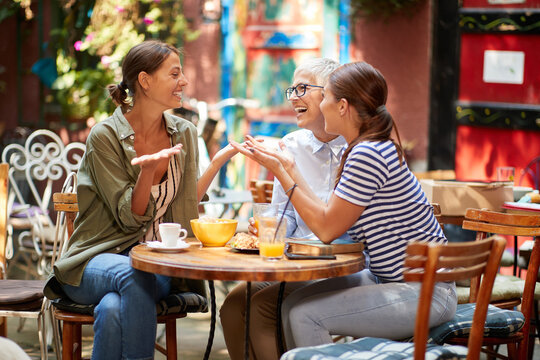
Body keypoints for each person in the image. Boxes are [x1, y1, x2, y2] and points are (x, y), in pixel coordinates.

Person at [231, 61, 456, 350]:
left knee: (305, 316)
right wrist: (288, 168)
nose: (320, 103)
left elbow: (326, 229)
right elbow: (327, 216)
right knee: (292, 305)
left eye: (324, 97)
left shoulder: (368, 154)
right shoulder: (366, 148)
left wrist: (282, 172)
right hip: (389, 279)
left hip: (425, 292)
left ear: (342, 106)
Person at [44, 40, 239, 360]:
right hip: (93, 262)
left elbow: (187, 203)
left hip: (156, 262)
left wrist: (216, 163)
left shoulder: (184, 133)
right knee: (132, 273)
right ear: (145, 81)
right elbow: (129, 218)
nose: (185, 82)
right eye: (174, 74)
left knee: (112, 307)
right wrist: (147, 173)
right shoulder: (105, 136)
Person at [220, 58, 351, 360]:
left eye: (302, 88)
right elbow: (285, 215)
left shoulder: (355, 146)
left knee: (260, 310)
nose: (293, 96)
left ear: (330, 95)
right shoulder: (291, 145)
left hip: (336, 263)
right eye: (291, 88)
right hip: (293, 262)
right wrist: (267, 230)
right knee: (233, 308)